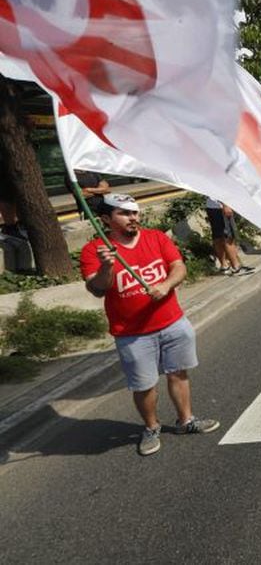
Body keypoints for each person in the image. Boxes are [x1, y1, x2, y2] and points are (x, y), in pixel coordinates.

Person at [80, 194, 220, 456]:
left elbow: (178, 267)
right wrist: (107, 267)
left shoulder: (155, 237)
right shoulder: (95, 250)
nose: (133, 217)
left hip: (173, 322)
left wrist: (166, 285)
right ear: (106, 219)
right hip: (132, 334)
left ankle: (186, 421)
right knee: (144, 385)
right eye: (124, 213)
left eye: (135, 212)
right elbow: (98, 290)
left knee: (178, 372)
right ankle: (151, 427)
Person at [205, 199, 255, 275]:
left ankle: (224, 266)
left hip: (211, 206)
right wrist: (225, 205)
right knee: (228, 237)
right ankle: (236, 267)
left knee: (218, 237)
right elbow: (218, 189)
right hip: (219, 207)